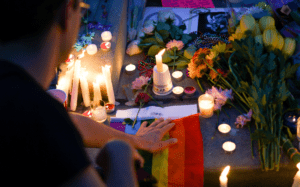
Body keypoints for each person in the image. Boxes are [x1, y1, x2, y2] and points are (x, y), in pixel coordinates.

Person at [0, 0, 177, 186]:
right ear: (67, 14)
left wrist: (134, 139)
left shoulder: (18, 94)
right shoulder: (33, 114)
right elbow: (52, 125)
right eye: (82, 10)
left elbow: (72, 122)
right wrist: (120, 154)